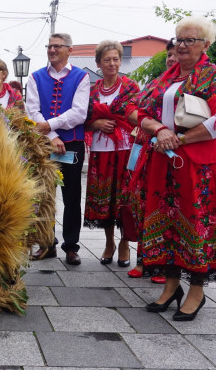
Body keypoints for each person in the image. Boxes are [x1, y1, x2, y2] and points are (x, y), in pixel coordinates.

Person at [124, 16, 216, 321]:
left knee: (196, 224)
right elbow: (132, 109)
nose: (183, 46)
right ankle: (172, 286)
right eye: (179, 39)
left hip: (198, 168)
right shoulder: (166, 78)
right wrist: (159, 129)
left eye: (191, 40)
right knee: (168, 225)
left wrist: (181, 138)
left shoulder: (213, 77)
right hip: (164, 164)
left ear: (206, 44)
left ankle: (197, 291)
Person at [25, 33, 90, 265]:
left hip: (72, 143)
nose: (52, 50)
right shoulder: (35, 77)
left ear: (69, 50)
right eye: (49, 46)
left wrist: (51, 125)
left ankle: (71, 246)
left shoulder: (81, 77)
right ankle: (46, 244)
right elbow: (32, 111)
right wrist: (52, 135)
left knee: (72, 195)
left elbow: (79, 112)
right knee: (44, 195)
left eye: (57, 46)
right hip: (43, 143)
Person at [83, 41, 139, 267]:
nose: (112, 63)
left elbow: (137, 113)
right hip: (100, 151)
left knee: (124, 199)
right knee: (103, 199)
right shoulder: (92, 90)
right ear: (98, 63)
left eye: (116, 59)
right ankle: (109, 243)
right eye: (107, 60)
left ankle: (125, 244)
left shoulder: (131, 86)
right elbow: (83, 117)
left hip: (125, 150)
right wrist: (96, 122)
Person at [127, 38, 177, 284]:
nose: (171, 59)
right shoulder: (156, 85)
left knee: (170, 208)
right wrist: (151, 124)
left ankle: (165, 267)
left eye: (176, 54)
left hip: (178, 155)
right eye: (169, 55)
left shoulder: (195, 83)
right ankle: (144, 260)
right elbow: (132, 110)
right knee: (147, 205)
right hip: (150, 153)